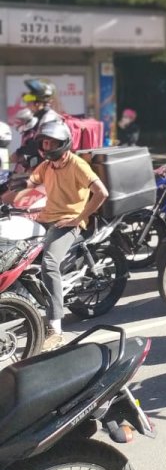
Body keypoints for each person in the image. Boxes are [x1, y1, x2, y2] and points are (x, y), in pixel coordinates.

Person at [6, 118, 109, 350]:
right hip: (45, 218)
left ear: (63, 144)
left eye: (51, 144)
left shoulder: (77, 165)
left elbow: (102, 192)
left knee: (49, 264)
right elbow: (28, 185)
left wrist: (79, 218)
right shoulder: (47, 166)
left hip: (67, 223)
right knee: (15, 250)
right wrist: (8, 196)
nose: (46, 148)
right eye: (44, 143)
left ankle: (56, 329)